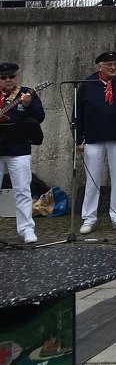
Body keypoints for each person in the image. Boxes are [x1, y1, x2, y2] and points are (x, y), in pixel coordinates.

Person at [76, 51, 116, 234]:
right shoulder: (87, 85)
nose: (112, 68)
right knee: (92, 178)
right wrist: (79, 139)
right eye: (109, 64)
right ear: (99, 66)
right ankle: (89, 217)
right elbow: (78, 113)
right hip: (93, 139)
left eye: (114, 64)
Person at [0, 61, 44, 243]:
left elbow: (40, 116)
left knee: (22, 190)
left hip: (19, 149)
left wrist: (27, 105)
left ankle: (26, 229)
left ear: (17, 76)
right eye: (3, 77)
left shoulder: (27, 93)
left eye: (12, 76)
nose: (8, 80)